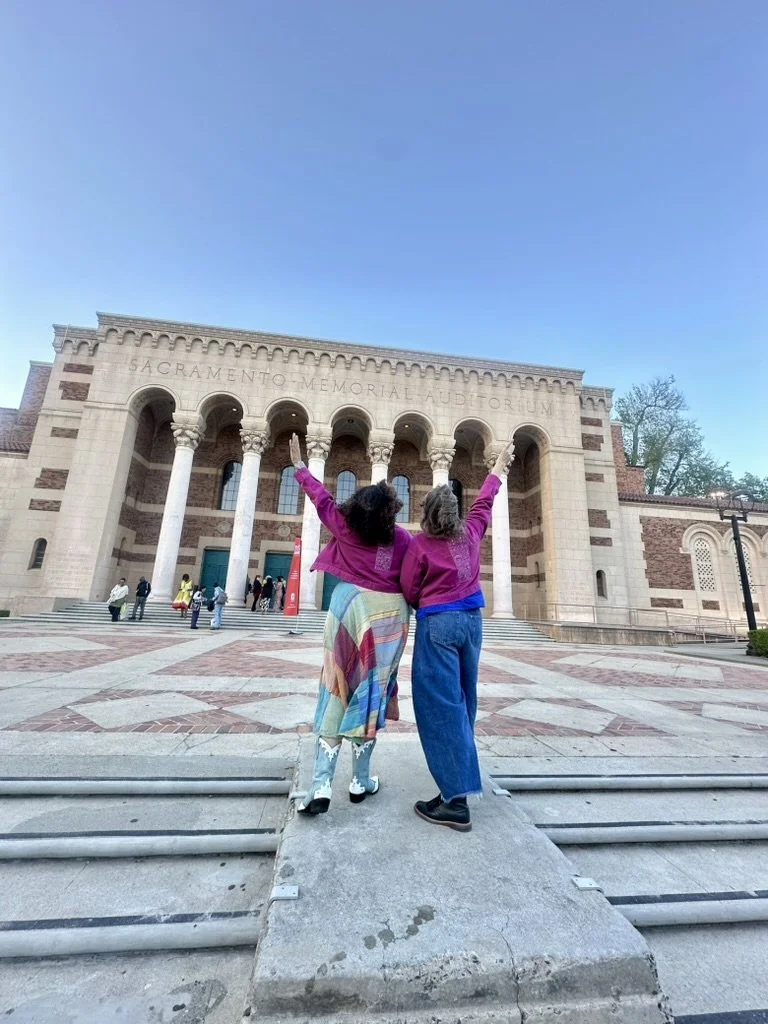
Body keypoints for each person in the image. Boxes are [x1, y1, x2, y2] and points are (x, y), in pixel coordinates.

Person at [288, 432, 412, 815]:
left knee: (335, 689)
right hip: (389, 617)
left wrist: (300, 467)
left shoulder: (346, 527)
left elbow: (321, 500)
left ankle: (322, 784)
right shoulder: (404, 540)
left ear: (358, 508)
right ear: (391, 512)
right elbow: (411, 581)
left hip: (348, 609)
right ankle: (360, 780)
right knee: (371, 695)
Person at [401, 440, 515, 833]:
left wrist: (424, 605)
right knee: (464, 698)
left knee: (439, 706)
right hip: (472, 621)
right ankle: (456, 784)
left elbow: (410, 589)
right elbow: (484, 502)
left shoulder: (420, 545)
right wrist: (497, 469)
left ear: (429, 516)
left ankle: (456, 800)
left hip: (439, 623)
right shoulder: (470, 533)